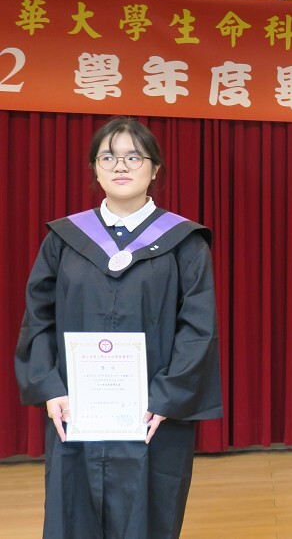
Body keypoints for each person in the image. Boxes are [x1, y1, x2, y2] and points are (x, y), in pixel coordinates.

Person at [14, 117, 222, 539]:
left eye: (134, 156)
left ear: (155, 168)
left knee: (148, 519)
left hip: (151, 415)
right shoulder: (64, 240)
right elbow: (38, 319)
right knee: (73, 518)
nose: (120, 166)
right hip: (76, 411)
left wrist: (168, 397)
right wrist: (49, 387)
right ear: (95, 168)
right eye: (108, 157)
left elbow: (198, 328)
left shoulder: (184, 242)